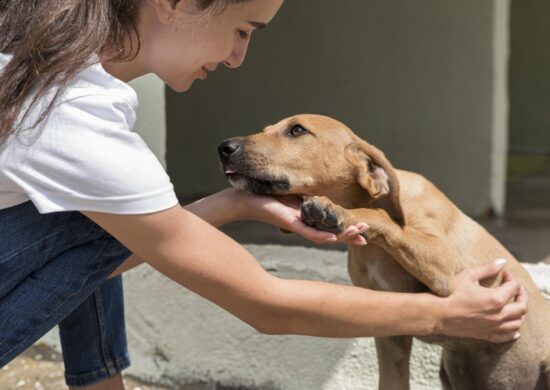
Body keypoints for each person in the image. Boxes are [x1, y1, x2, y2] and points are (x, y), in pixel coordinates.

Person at [0, 1, 528, 389]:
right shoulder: (71, 111)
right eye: (241, 30)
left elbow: (120, 252)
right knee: (111, 211)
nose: (236, 57)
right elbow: (266, 305)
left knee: (115, 213)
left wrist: (238, 203)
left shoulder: (48, 66)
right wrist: (444, 316)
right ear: (175, 6)